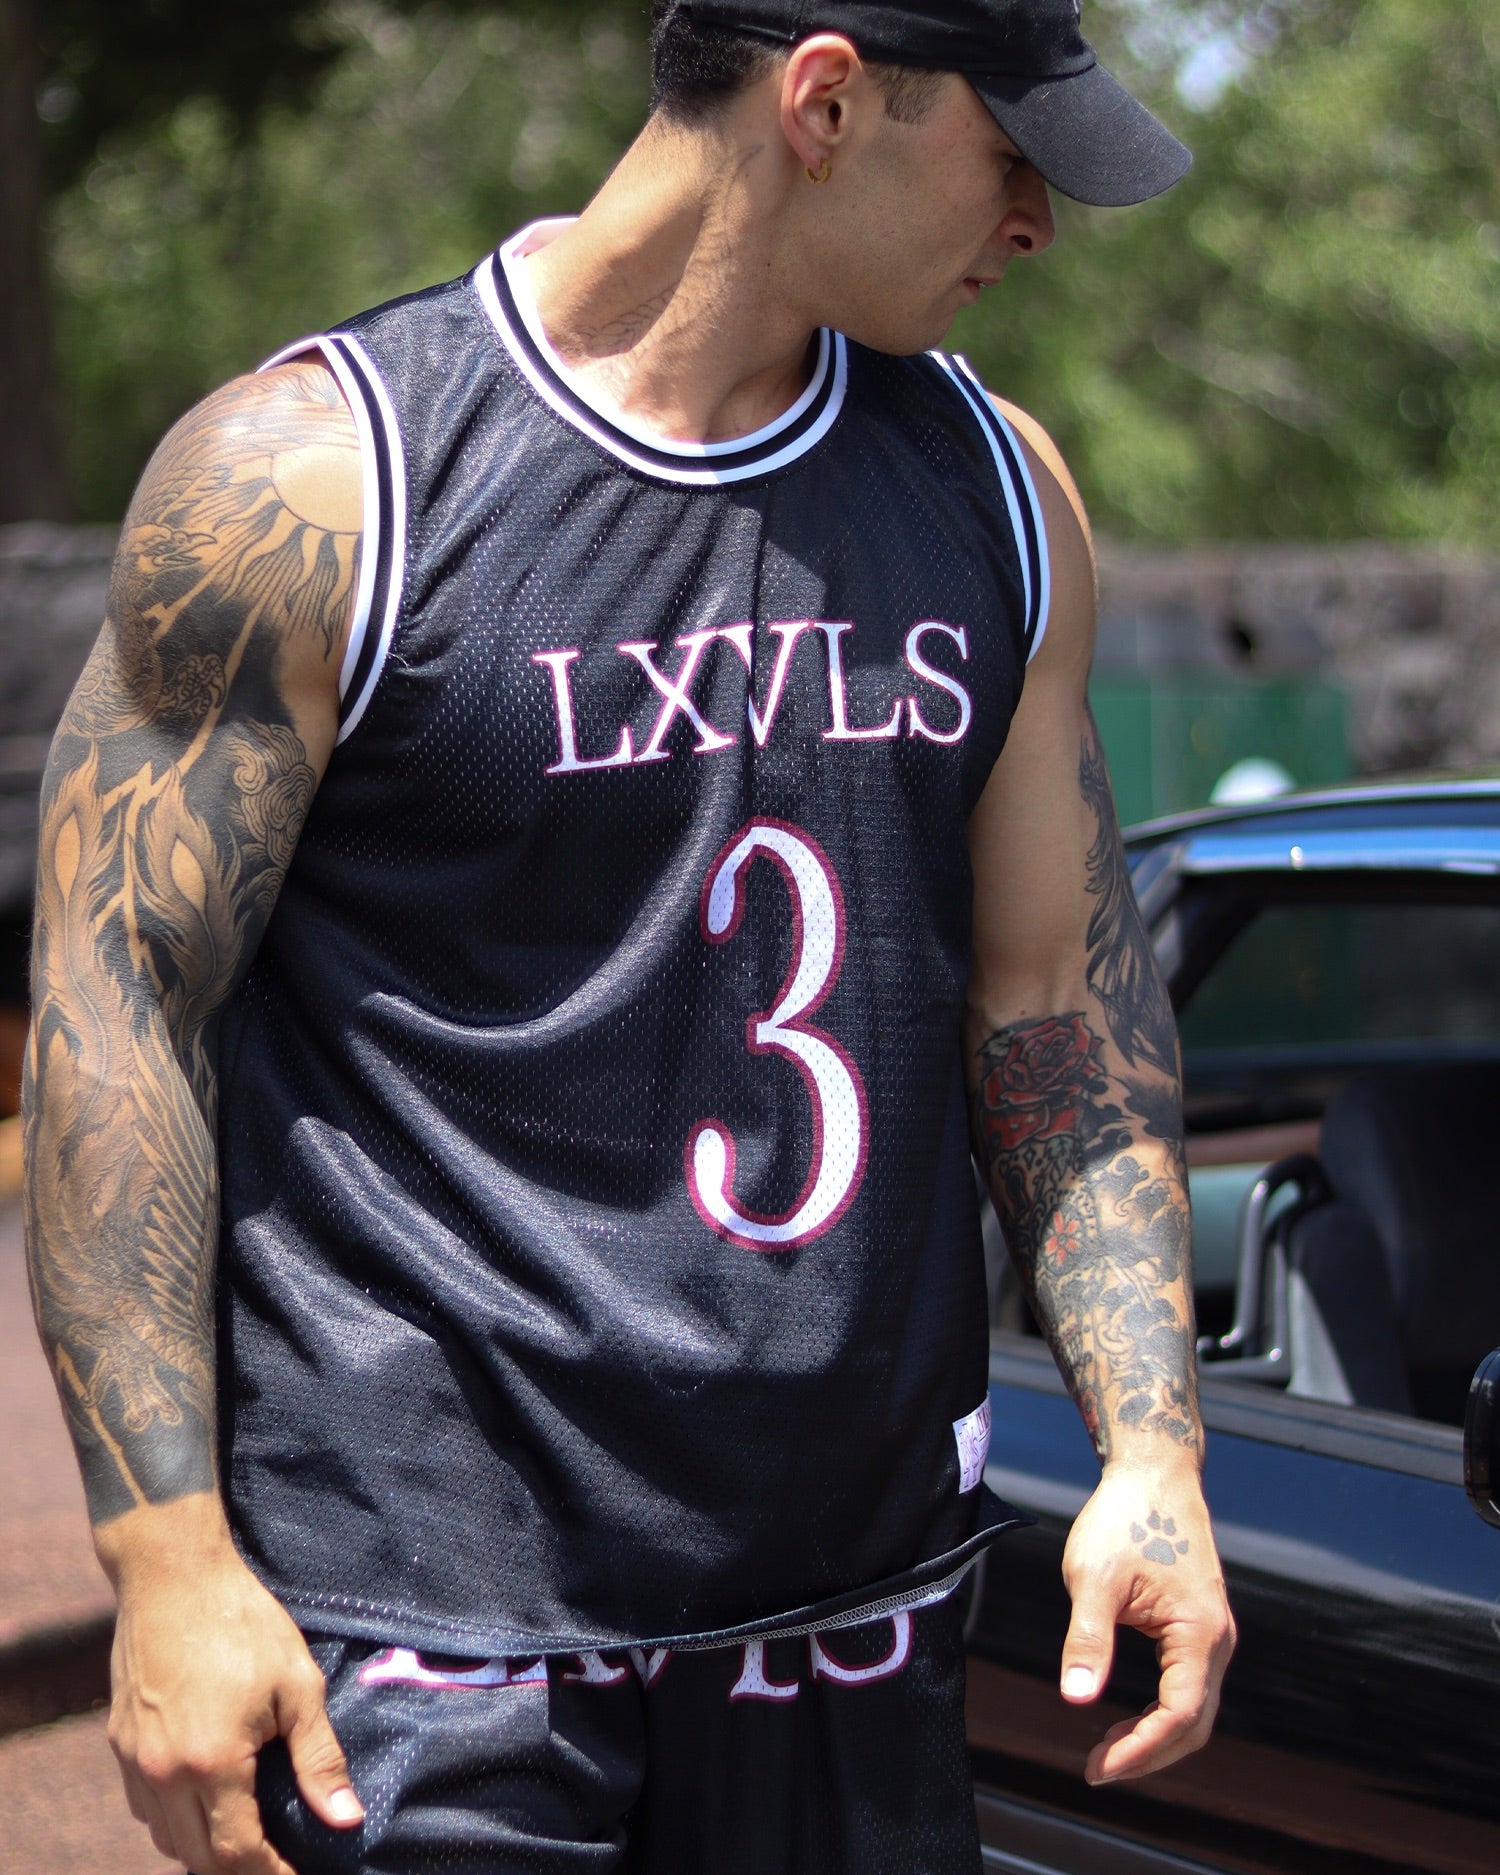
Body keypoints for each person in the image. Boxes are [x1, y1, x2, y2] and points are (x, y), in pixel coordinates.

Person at [24, 2, 1235, 1870]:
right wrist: (164, 1554)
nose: (1038, 225)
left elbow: (1052, 1008)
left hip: (853, 1610)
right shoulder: (322, 481)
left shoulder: (999, 492)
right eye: (1013, 157)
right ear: (825, 102)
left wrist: (1153, 1449)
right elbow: (121, 1006)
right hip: (426, 1643)